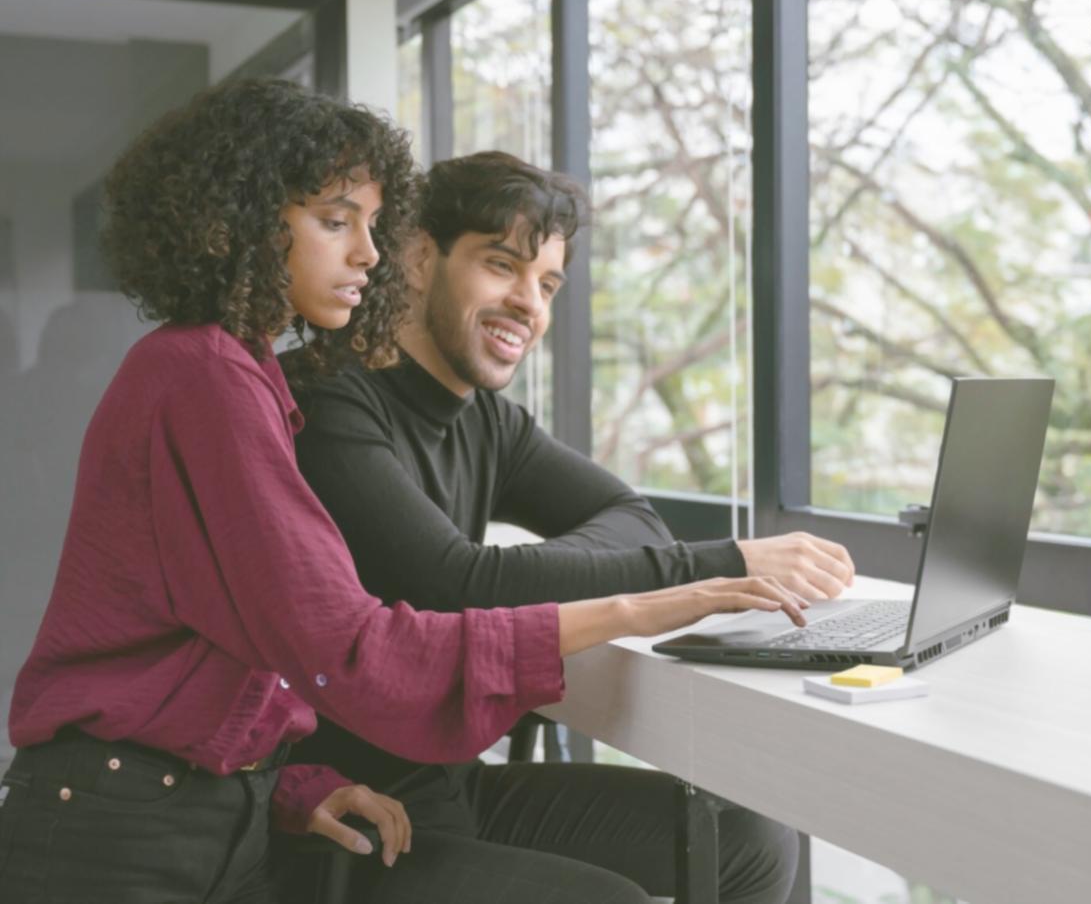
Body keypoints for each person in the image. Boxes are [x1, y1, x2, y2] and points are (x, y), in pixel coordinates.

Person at [0, 80, 806, 904]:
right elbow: (353, 646)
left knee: (745, 840)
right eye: (335, 219)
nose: (367, 254)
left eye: (371, 226)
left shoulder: (232, 373)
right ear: (240, 219)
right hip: (120, 836)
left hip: (209, 809)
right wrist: (644, 600)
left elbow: (239, 647)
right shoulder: (212, 379)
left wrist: (291, 788)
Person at [288, 150, 854, 903]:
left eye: (547, 282)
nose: (530, 303)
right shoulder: (330, 399)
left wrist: (525, 578)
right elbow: (452, 582)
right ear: (421, 258)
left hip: (448, 786)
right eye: (501, 266)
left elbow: (632, 518)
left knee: (749, 841)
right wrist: (723, 564)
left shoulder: (489, 420)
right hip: (340, 809)